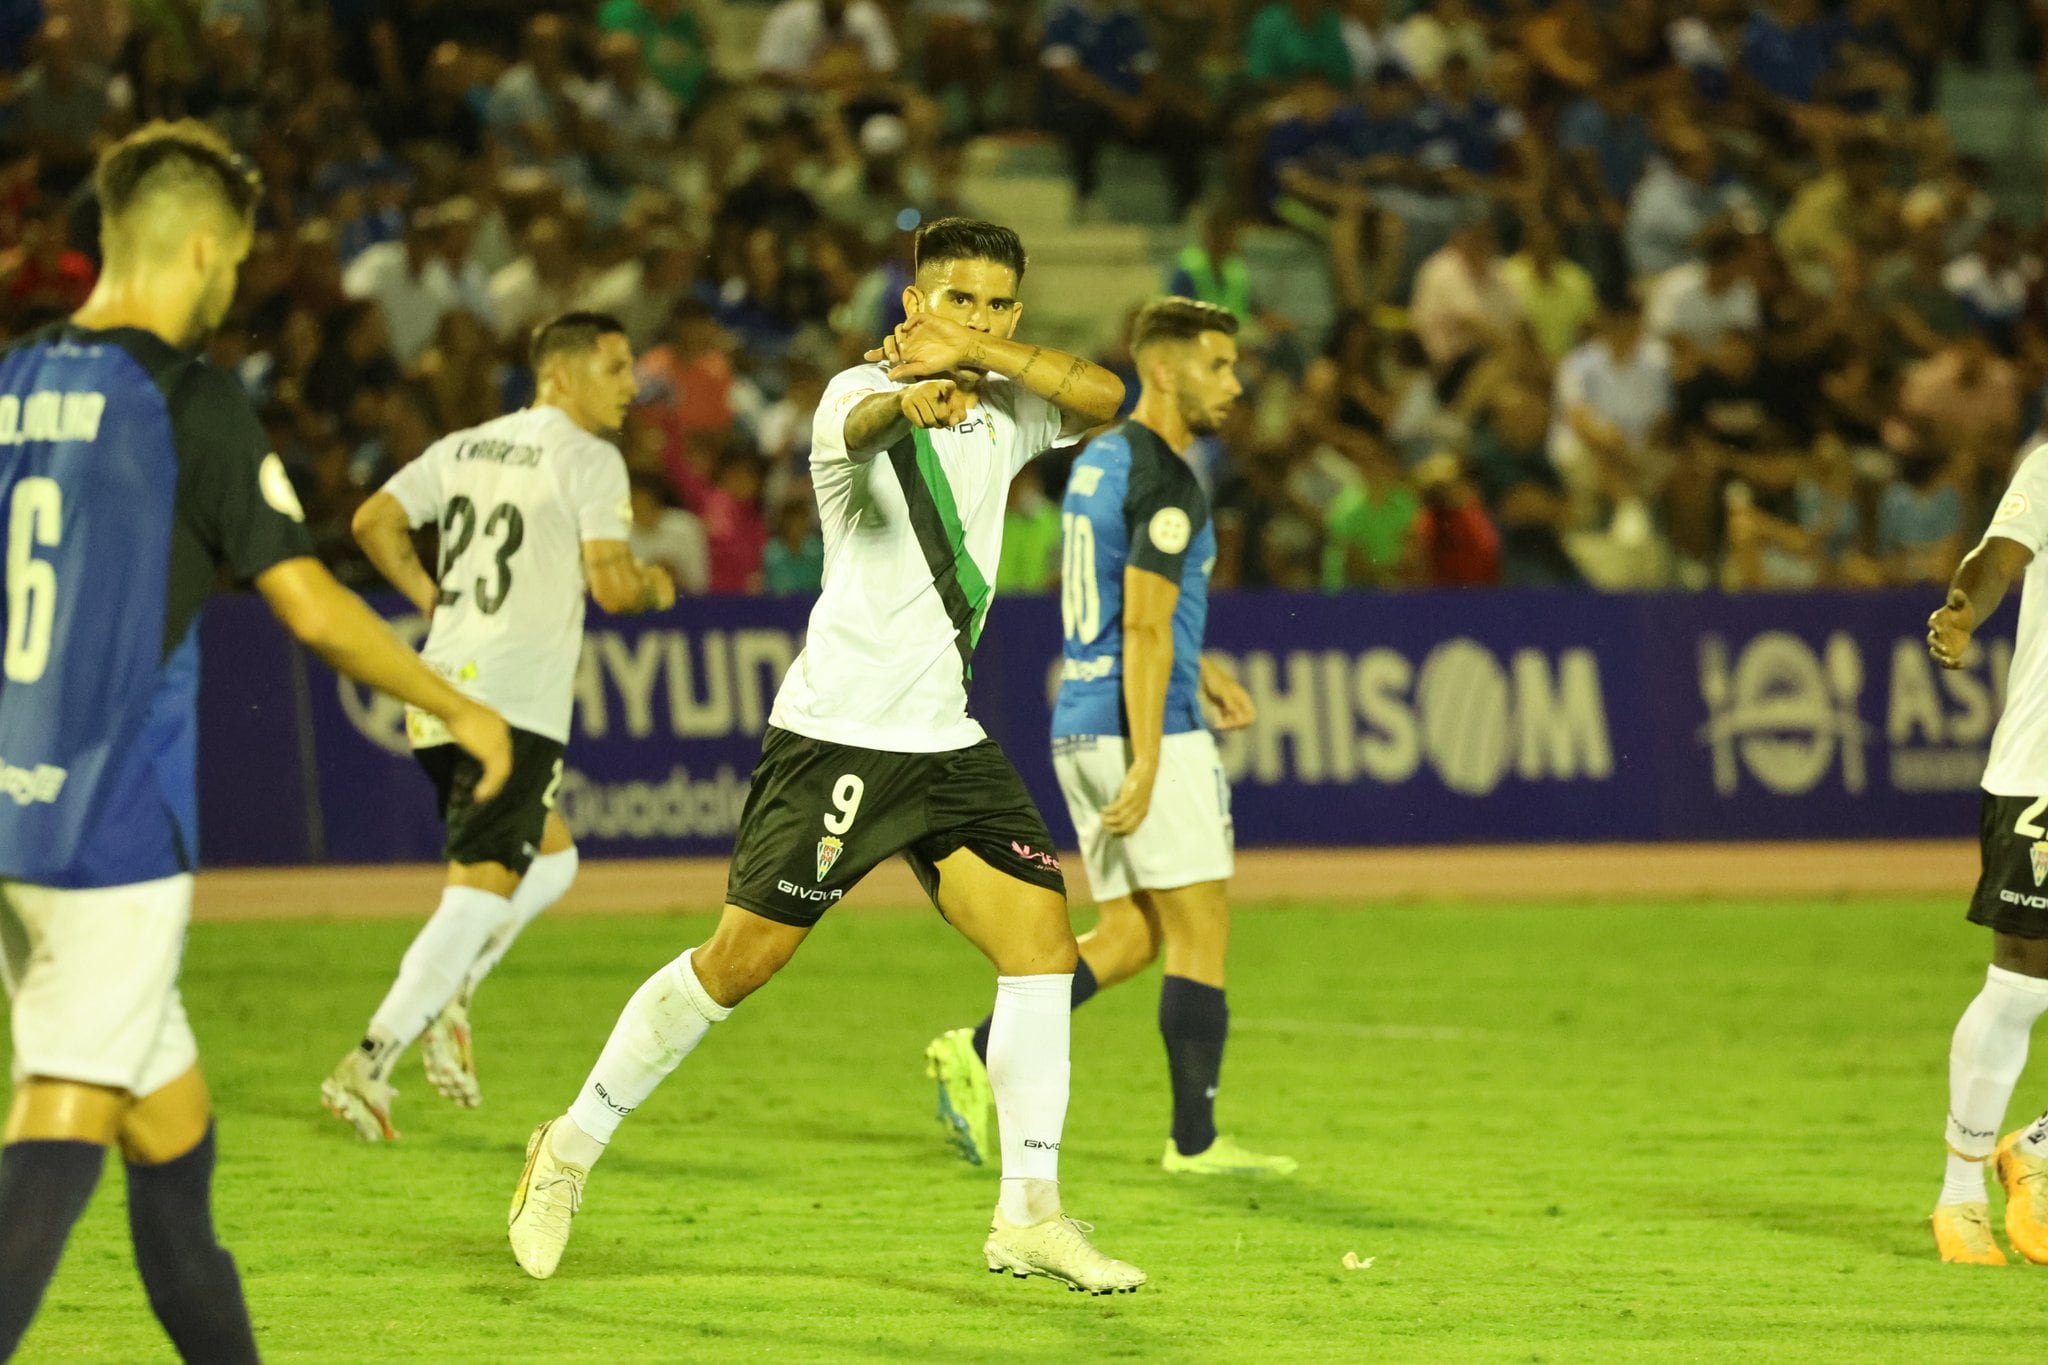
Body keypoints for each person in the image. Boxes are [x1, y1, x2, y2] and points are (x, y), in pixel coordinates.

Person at [504, 218, 1144, 1293]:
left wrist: (979, 362)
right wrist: (918, 392)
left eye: (996, 306)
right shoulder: (853, 391)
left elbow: (1108, 397)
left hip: (946, 740)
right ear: (912, 302)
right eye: (957, 300)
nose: (977, 319)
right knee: (736, 966)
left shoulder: (1006, 405)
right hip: (840, 735)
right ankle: (566, 1148)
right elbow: (865, 428)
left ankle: (1028, 1212)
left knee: (1041, 951)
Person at [0, 120, 511, 1361]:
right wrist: (456, 704)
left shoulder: (12, 379)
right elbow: (309, 604)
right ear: (201, 246)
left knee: (171, 1127)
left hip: (11, 811)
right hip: (109, 831)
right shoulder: (188, 399)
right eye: (234, 264)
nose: (236, 286)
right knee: (65, 1110)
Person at [924, 297, 1292, 1179]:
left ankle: (975, 1048)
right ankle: (1195, 1144)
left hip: (1079, 720)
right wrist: (1156, 752)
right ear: (1163, 369)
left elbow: (1124, 599)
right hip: (1139, 727)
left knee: (1129, 934)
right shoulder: (1165, 474)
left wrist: (1201, 668)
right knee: (1201, 929)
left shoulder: (1101, 459)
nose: (1234, 385)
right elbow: (1144, 631)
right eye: (1218, 366)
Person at [320, 313, 676, 1138]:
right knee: (477, 890)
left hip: (439, 691)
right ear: (562, 373)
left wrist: (430, 601)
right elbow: (614, 589)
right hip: (511, 705)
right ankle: (372, 1059)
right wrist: (658, 584)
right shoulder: (589, 458)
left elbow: (373, 520)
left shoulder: (467, 445)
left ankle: (453, 992)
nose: (632, 386)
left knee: (552, 859)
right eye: (617, 367)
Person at [1923, 441, 2048, 1266]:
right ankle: (1960, 1191)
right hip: (2044, 770)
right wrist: (1966, 604)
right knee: (2021, 980)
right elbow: (1995, 557)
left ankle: (2035, 1145)